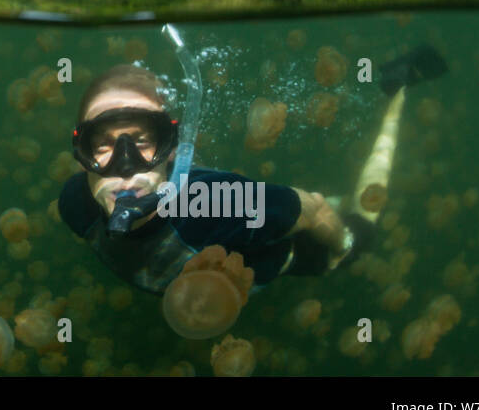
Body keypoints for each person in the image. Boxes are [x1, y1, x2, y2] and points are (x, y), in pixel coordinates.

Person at [58, 44, 447, 295]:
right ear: (80, 152)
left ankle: (400, 87)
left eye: (144, 141)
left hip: (282, 246)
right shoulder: (75, 205)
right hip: (246, 215)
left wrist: (341, 246)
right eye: (102, 144)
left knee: (358, 227)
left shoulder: (221, 205)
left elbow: (311, 210)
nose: (125, 168)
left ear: (171, 147)